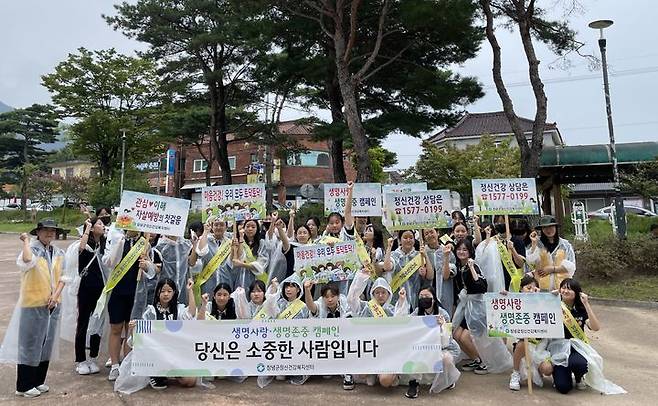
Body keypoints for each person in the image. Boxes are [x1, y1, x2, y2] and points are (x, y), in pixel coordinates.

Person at [0, 220, 68, 398]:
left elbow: (64, 276)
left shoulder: (58, 252)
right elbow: (27, 261)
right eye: (45, 230)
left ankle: (38, 381)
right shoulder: (32, 249)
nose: (49, 233)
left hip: (53, 304)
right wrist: (25, 241)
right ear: (37, 232)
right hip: (33, 304)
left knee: (45, 344)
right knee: (29, 344)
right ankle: (23, 386)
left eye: (52, 231)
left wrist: (56, 295)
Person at [541, 279, 625, 395]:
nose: (565, 291)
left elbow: (595, 327)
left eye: (569, 289)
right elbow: (538, 311)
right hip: (557, 348)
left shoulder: (580, 309)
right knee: (563, 388)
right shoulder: (554, 305)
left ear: (576, 292)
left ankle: (579, 377)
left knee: (579, 363)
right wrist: (549, 297)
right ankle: (561, 375)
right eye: (563, 288)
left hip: (576, 346)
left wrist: (586, 303)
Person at [115, 278, 197, 393]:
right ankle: (154, 373)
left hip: (175, 354)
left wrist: (190, 290)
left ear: (174, 293)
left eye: (169, 291)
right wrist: (134, 331)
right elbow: (139, 341)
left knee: (190, 381)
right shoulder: (150, 311)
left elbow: (191, 313)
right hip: (155, 355)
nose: (166, 294)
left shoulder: (178, 309)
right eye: (163, 291)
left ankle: (168, 373)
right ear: (158, 292)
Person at [102, 230, 157, 381]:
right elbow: (108, 262)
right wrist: (118, 246)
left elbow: (152, 272)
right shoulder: (116, 239)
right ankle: (114, 365)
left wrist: (146, 265)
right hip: (117, 291)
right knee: (115, 328)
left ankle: (127, 365)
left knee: (131, 330)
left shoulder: (145, 244)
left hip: (137, 293)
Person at [452, 239, 512, 375]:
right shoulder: (459, 265)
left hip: (476, 308)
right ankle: (477, 359)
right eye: (459, 249)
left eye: (465, 250)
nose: (461, 252)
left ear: (470, 252)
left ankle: (485, 362)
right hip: (466, 306)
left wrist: (472, 267)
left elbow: (482, 286)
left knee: (466, 337)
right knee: (456, 334)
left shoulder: (473, 265)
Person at [347, 268, 407, 388]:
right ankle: (373, 373)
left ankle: (391, 375)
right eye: (377, 292)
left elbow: (401, 325)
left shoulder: (392, 310)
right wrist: (361, 278)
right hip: (368, 350)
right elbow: (352, 299)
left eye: (383, 292)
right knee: (363, 375)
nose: (380, 295)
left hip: (387, 352)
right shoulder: (365, 307)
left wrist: (401, 302)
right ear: (372, 294)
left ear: (389, 294)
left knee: (385, 381)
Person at [403, 286, 461, 398]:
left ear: (434, 299)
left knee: (446, 359)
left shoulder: (443, 314)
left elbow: (447, 340)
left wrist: (442, 326)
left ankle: (447, 379)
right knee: (414, 354)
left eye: (427, 296)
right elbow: (406, 326)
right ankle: (414, 383)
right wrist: (402, 301)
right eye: (421, 297)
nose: (424, 299)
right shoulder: (416, 313)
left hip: (443, 347)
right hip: (422, 346)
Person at [303, 280, 354, 389]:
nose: (330, 299)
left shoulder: (346, 303)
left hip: (343, 340)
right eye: (326, 297)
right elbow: (311, 306)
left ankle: (348, 373)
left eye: (333, 296)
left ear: (338, 296)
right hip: (326, 340)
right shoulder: (320, 303)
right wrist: (307, 290)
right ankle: (327, 366)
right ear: (322, 297)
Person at [73, 217, 107, 375]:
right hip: (86, 288)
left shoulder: (105, 243)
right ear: (92, 228)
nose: (103, 226)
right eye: (99, 224)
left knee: (97, 324)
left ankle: (93, 358)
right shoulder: (86, 243)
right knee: (83, 324)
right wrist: (87, 228)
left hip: (101, 288)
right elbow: (81, 248)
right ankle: (80, 360)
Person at [383, 231, 434, 308]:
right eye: (405, 237)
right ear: (400, 240)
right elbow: (387, 267)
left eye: (411, 237)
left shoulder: (419, 255)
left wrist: (425, 256)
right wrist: (389, 247)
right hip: (398, 297)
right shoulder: (395, 255)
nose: (408, 240)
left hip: (416, 298)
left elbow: (430, 276)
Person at [507, 275, 541, 391]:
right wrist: (502, 297)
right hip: (524, 341)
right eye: (528, 288)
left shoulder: (544, 303)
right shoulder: (516, 303)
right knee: (522, 344)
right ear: (521, 289)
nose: (531, 291)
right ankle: (515, 374)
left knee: (545, 370)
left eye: (534, 289)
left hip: (541, 343)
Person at [526, 215, 576, 291]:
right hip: (540, 287)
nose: (548, 230)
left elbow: (571, 266)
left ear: (556, 227)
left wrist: (552, 269)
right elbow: (530, 262)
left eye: (551, 227)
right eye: (545, 227)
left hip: (562, 287)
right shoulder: (536, 243)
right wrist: (534, 243)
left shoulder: (565, 245)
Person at [424, 228, 456, 316]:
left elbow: (450, 272)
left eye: (431, 232)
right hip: (428, 292)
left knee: (445, 319)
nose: (430, 235)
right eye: (426, 234)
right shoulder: (422, 253)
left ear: (437, 233)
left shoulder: (446, 250)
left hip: (445, 291)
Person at [231, 219, 269, 290]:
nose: (250, 229)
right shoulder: (239, 242)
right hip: (239, 278)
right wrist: (240, 239)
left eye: (253, 227)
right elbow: (235, 261)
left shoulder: (261, 243)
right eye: (247, 226)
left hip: (256, 279)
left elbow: (261, 264)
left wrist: (243, 265)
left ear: (257, 229)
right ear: (244, 228)